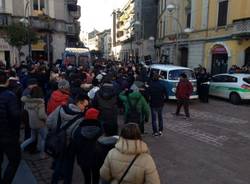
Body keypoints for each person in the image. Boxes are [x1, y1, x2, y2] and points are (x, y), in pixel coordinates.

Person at [47, 94, 89, 184]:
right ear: (79, 103)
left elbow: (49, 122)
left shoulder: (61, 108)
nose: (86, 108)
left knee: (58, 163)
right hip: (70, 145)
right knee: (69, 166)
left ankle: (54, 181)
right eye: (85, 106)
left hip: (58, 142)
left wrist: (58, 131)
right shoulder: (81, 118)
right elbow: (77, 136)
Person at [0, 70, 21, 184]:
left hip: (6, 133)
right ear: (7, 81)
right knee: (14, 161)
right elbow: (15, 116)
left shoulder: (9, 95)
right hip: (8, 135)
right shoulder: (9, 96)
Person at [73, 108, 102, 184]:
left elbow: (75, 145)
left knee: (86, 178)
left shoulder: (78, 129)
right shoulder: (101, 129)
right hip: (97, 160)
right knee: (96, 178)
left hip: (83, 159)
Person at [20, 86, 47, 158]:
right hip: (40, 123)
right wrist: (46, 119)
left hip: (32, 123)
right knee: (44, 138)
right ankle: (42, 154)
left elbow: (25, 109)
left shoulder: (28, 102)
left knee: (32, 138)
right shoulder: (40, 102)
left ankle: (20, 148)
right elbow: (41, 115)